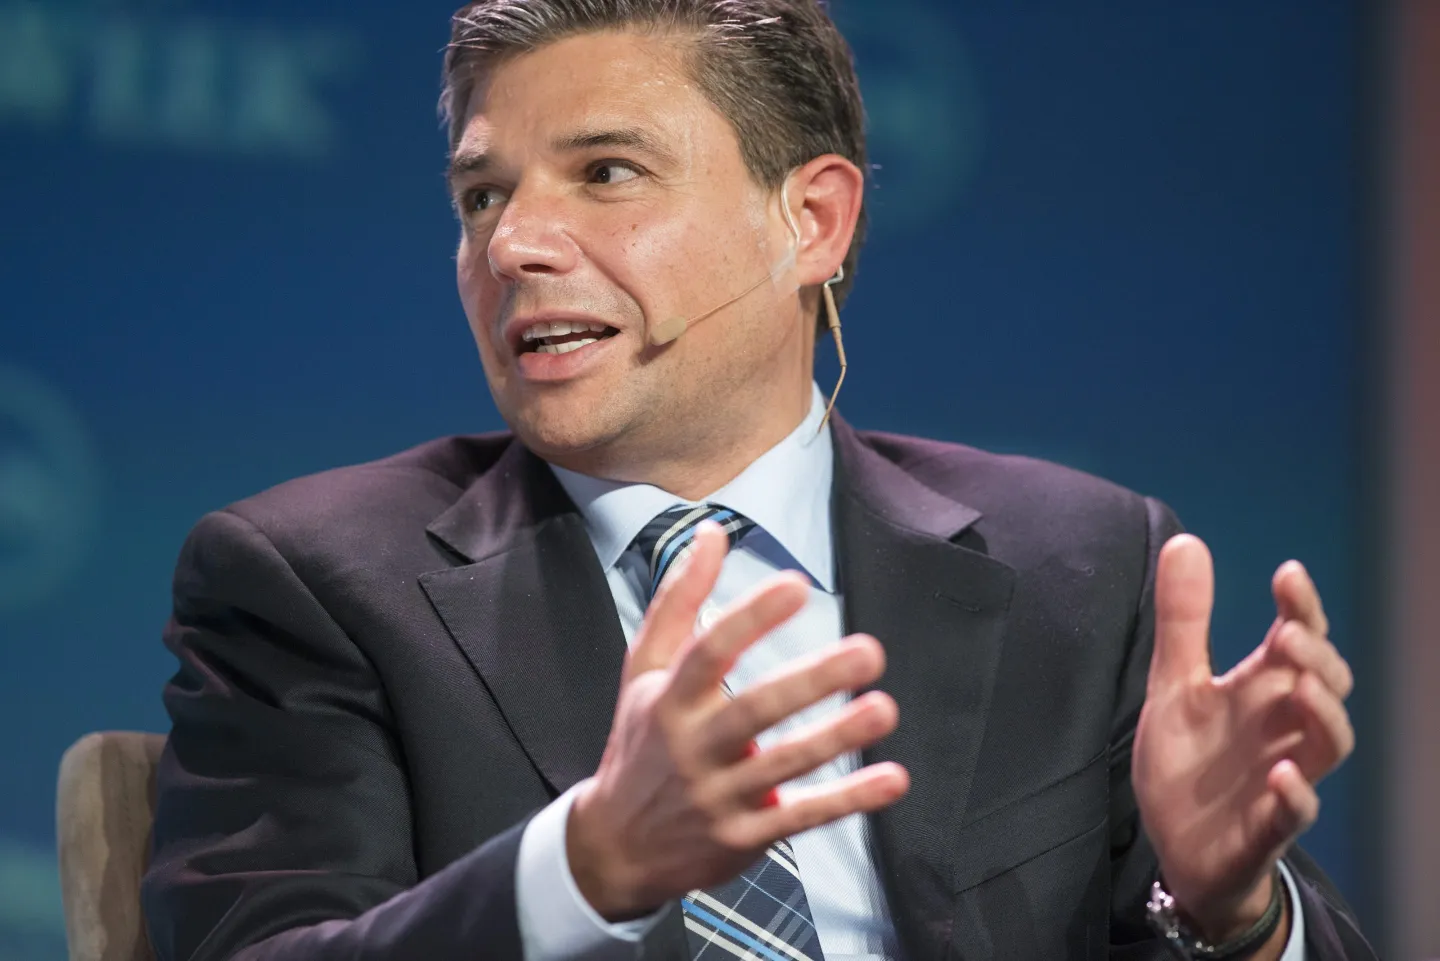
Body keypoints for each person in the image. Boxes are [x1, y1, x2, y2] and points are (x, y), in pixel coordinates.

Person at [140, 2, 1376, 959]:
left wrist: (1233, 911)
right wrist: (582, 869)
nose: (513, 242)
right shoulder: (312, 584)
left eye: (608, 171)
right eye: (482, 193)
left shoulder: (1080, 568)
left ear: (813, 222)